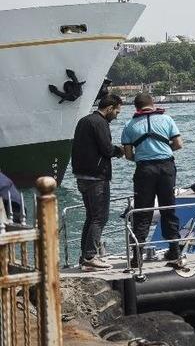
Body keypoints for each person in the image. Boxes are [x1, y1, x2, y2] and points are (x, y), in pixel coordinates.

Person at [121, 93, 183, 265]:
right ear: (153, 104)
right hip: (166, 168)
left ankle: (137, 256)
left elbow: (127, 155)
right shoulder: (167, 120)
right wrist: (164, 151)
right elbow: (178, 144)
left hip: (144, 170)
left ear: (136, 107)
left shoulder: (129, 125)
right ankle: (174, 250)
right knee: (168, 208)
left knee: (142, 211)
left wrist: (142, 158)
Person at [70, 93, 124, 271]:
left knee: (91, 217)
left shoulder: (84, 121)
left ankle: (84, 256)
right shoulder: (101, 123)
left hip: (81, 176)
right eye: (116, 112)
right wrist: (120, 151)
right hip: (96, 177)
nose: (116, 116)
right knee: (100, 217)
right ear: (109, 108)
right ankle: (91, 256)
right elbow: (107, 149)